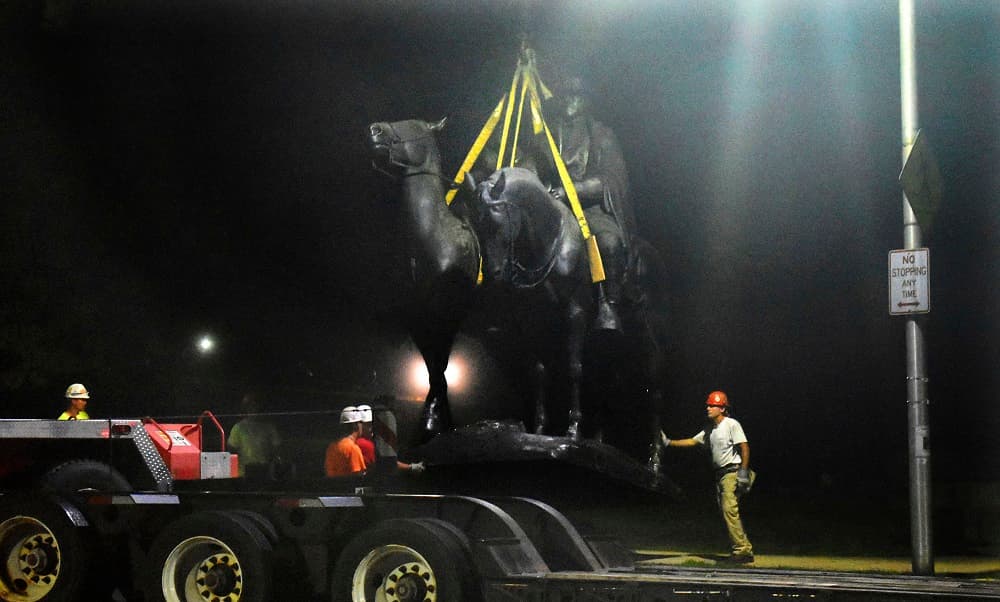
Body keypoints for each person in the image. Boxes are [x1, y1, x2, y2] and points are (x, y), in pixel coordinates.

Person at [542, 75, 638, 329]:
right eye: (566, 94)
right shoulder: (546, 135)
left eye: (576, 95)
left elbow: (610, 178)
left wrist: (572, 190)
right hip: (553, 206)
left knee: (608, 242)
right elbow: (532, 162)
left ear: (587, 100)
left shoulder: (602, 135)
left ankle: (610, 304)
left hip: (589, 209)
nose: (569, 100)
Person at [661, 390, 756, 563]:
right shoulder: (710, 429)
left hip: (731, 472)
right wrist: (668, 442)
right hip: (720, 475)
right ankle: (743, 549)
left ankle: (742, 550)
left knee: (729, 510)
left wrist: (743, 471)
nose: (708, 408)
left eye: (713, 405)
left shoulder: (731, 424)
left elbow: (744, 447)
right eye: (708, 405)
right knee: (728, 512)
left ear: (723, 408)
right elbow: (692, 441)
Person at [356, 404, 425, 474]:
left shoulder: (364, 440)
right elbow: (387, 464)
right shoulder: (364, 444)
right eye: (368, 424)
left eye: (371, 424)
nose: (371, 428)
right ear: (358, 425)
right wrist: (411, 467)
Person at [228, 393, 283, 478]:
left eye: (256, 406)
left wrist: (273, 467)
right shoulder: (238, 428)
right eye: (250, 406)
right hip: (244, 474)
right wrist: (234, 475)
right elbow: (232, 451)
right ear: (246, 408)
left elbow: (277, 450)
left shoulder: (269, 427)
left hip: (265, 473)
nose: (254, 409)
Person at [324, 406, 367, 477]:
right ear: (355, 425)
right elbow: (359, 477)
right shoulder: (353, 449)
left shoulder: (331, 447)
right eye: (361, 422)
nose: (362, 425)